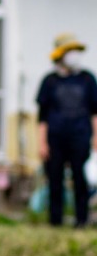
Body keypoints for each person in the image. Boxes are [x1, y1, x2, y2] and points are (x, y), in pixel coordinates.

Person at [36, 33, 97, 228]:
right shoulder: (50, 81)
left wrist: (96, 137)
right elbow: (42, 116)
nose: (75, 55)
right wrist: (42, 142)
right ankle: (56, 220)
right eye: (71, 51)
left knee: (80, 179)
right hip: (55, 138)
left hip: (80, 135)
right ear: (61, 54)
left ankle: (81, 219)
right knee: (55, 179)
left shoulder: (87, 79)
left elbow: (94, 112)